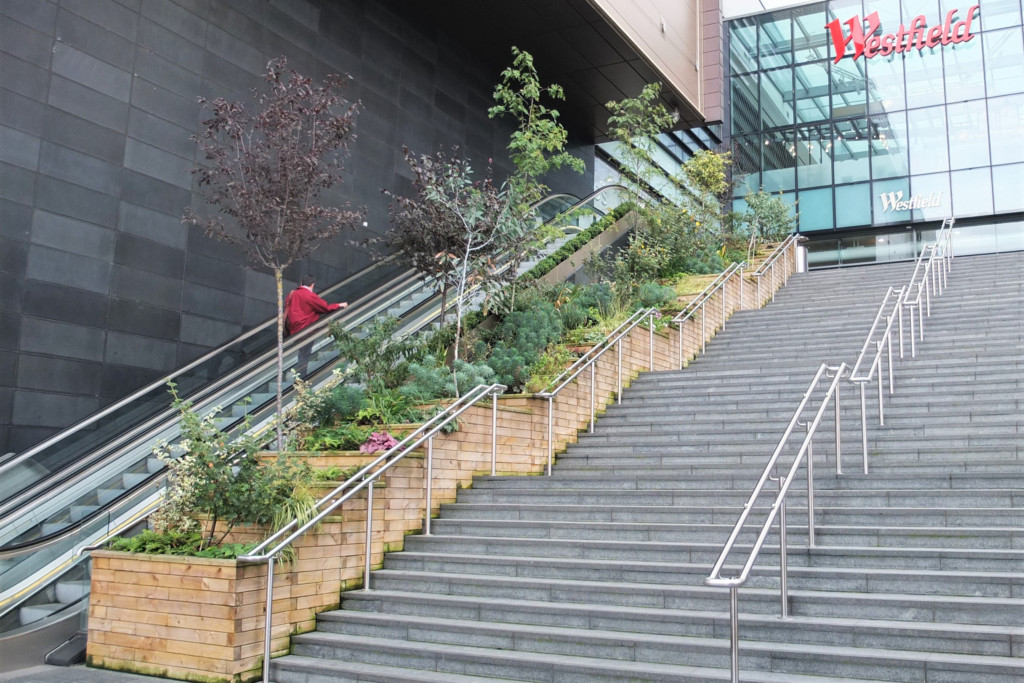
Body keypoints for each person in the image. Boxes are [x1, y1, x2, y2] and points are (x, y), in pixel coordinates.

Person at [284, 275, 348, 376]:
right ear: (312, 285)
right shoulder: (309, 295)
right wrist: (338, 305)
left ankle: (300, 377)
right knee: (304, 355)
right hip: (306, 329)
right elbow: (325, 308)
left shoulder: (292, 294)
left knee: (302, 354)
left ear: (301, 284)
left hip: (294, 329)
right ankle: (300, 379)